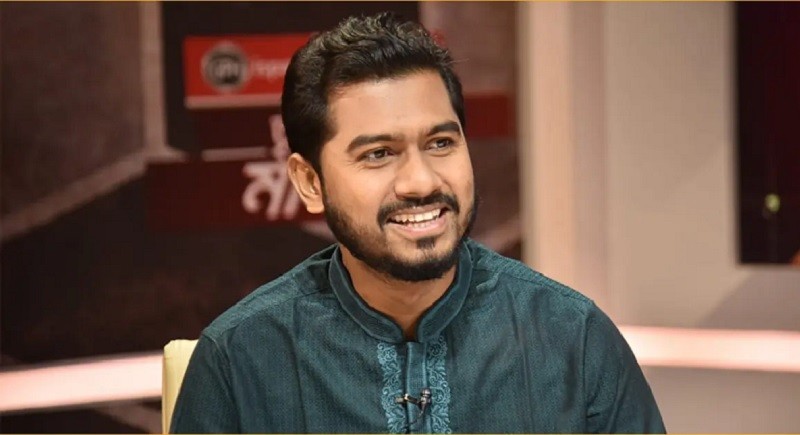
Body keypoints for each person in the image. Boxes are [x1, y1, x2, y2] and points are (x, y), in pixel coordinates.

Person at [170, 12, 666, 434]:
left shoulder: (574, 339)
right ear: (309, 182)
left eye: (440, 143)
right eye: (379, 153)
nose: (421, 181)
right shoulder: (239, 361)